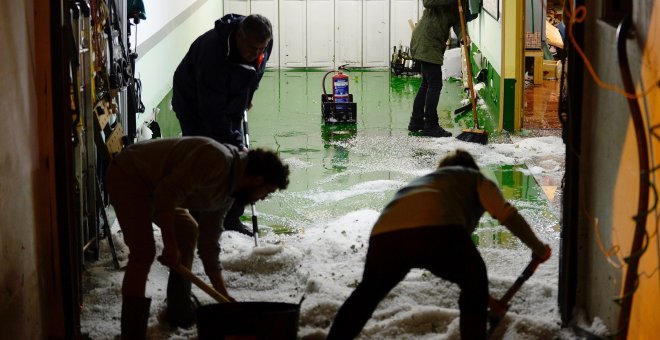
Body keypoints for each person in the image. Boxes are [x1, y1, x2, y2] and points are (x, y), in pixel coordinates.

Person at [326, 149, 551, 340]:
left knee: (366, 295)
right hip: (440, 231)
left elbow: (444, 262)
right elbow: (507, 214)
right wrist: (538, 248)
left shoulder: (427, 181)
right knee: (475, 279)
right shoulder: (475, 178)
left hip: (386, 234)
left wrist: (488, 300)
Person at [106, 137, 290, 339]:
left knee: (187, 230)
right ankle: (132, 334)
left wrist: (223, 296)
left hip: (156, 187)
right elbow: (167, 194)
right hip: (130, 175)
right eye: (268, 191)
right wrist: (170, 245)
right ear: (257, 179)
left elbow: (209, 243)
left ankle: (178, 310)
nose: (263, 198)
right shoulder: (216, 159)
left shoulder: (230, 191)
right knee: (143, 253)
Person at [172, 13, 274, 237]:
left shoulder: (263, 42)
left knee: (237, 161)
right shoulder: (213, 54)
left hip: (229, 94)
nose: (256, 54)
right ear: (238, 36)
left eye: (261, 49)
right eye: (251, 49)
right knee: (205, 155)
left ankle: (231, 219)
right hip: (193, 101)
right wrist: (237, 145)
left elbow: (257, 70)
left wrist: (248, 95)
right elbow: (212, 115)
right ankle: (197, 221)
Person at [408, 0, 464, 137]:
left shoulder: (457, 5)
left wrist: (463, 36)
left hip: (432, 43)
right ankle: (430, 125)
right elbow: (427, 2)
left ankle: (416, 121)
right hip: (426, 41)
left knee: (427, 84)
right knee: (435, 84)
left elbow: (458, 22)